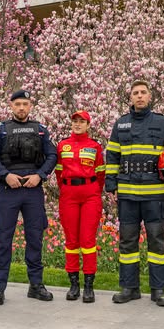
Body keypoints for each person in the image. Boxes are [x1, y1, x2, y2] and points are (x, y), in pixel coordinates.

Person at [105, 80, 164, 307]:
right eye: (135, 93)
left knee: (157, 242)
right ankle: (129, 288)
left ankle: (159, 290)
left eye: (143, 93)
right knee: (127, 242)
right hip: (127, 194)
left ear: (150, 97)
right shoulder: (120, 125)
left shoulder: (163, 123)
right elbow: (112, 157)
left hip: (154, 194)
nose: (139, 96)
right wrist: (111, 185)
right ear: (130, 98)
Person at [0, 89, 57, 305]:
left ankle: (36, 285)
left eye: (25, 104)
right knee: (3, 240)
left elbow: (52, 155)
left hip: (33, 190)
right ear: (11, 106)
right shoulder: (0, 131)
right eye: (17, 104)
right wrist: (5, 175)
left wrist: (40, 175)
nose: (21, 108)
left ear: (30, 106)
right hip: (9, 191)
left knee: (35, 239)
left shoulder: (41, 130)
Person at [55, 110, 105, 302]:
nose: (77, 124)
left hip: (90, 194)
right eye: (75, 121)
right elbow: (59, 172)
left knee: (87, 240)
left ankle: (89, 286)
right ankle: (74, 284)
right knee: (72, 240)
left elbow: (100, 172)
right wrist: (67, 188)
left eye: (81, 121)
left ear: (88, 125)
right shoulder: (62, 145)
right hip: (69, 194)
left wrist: (93, 190)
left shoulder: (95, 147)